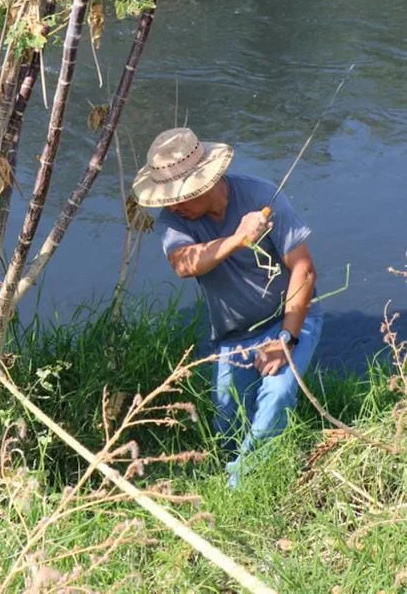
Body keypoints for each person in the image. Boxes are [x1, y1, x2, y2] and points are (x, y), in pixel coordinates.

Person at [133, 127, 322, 486]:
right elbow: (184, 265)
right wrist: (239, 238)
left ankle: (239, 490)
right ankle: (237, 465)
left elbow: (304, 269)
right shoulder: (175, 220)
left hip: (288, 319)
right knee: (227, 425)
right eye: (169, 198)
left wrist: (285, 338)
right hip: (233, 335)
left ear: (208, 181)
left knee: (277, 395)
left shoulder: (263, 195)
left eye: (182, 196)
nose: (174, 205)